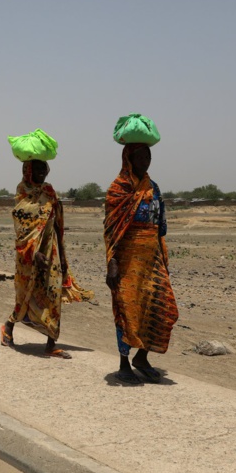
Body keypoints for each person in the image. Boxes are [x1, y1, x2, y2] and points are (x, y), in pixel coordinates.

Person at [104, 113, 179, 384]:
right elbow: (111, 230)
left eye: (148, 157)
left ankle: (142, 357)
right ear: (128, 158)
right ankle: (124, 362)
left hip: (153, 260)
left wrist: (162, 256)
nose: (145, 161)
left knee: (161, 308)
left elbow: (161, 226)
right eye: (140, 157)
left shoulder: (154, 188)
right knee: (126, 310)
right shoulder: (118, 189)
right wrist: (111, 262)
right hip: (126, 261)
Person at [1, 148, 84, 358]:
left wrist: (63, 258)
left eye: (44, 168)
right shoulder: (22, 193)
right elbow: (22, 228)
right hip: (28, 256)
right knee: (26, 294)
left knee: (53, 293)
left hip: (52, 250)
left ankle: (51, 343)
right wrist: (34, 252)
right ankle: (9, 326)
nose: (41, 172)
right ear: (28, 170)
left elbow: (57, 224)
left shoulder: (49, 192)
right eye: (36, 169)